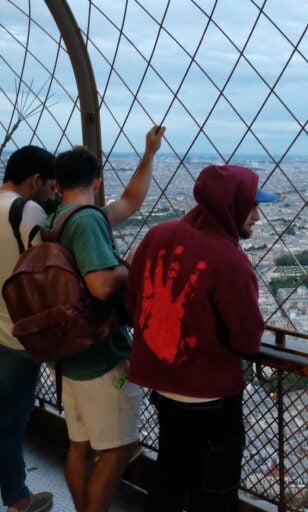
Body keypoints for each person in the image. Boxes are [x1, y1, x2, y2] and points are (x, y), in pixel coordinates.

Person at [126, 164, 275, 512]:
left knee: (169, 481)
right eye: (251, 205)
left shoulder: (157, 235)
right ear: (229, 205)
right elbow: (248, 340)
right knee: (214, 494)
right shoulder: (230, 261)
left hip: (162, 387)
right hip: (210, 397)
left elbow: (133, 303)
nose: (256, 216)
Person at [47, 125, 164, 512]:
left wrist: (149, 154)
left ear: (57, 183)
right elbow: (99, 285)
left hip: (69, 354)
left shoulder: (59, 219)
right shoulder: (88, 222)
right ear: (97, 182)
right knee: (117, 451)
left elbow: (130, 201)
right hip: (99, 355)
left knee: (80, 446)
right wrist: (133, 270)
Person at [0, 146, 58, 512]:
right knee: (10, 422)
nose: (52, 195)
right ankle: (19, 501)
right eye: (50, 187)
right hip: (16, 335)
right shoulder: (29, 212)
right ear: (36, 180)